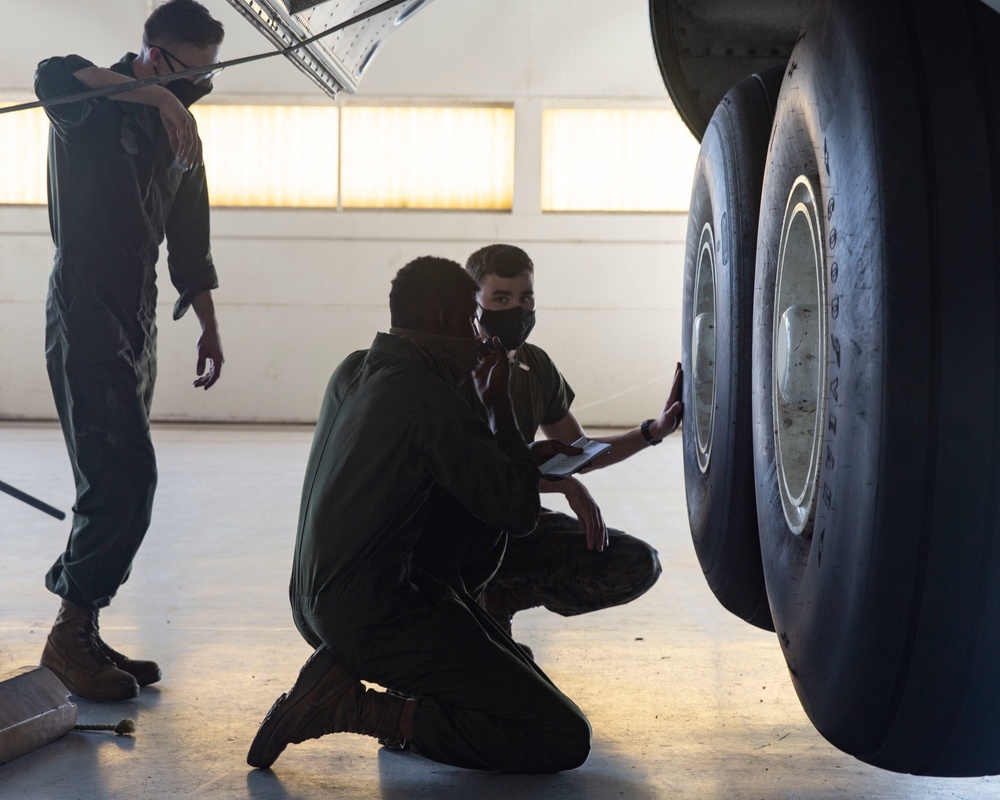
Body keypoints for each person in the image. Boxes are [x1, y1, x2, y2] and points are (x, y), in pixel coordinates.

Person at [246, 256, 591, 773]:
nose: (480, 343)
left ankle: (350, 670)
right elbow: (518, 511)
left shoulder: (355, 368)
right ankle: (364, 708)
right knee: (563, 734)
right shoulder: (427, 399)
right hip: (373, 615)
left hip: (313, 601)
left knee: (520, 671)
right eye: (472, 324)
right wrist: (499, 409)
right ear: (442, 320)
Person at [34, 0, 226, 702]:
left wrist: (206, 320)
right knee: (125, 478)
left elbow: (190, 230)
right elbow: (49, 72)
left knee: (111, 478)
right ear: (152, 52)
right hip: (84, 306)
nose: (195, 89)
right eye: (186, 73)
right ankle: (69, 634)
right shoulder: (95, 105)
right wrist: (148, 94)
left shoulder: (182, 124)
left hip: (136, 313)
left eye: (207, 76)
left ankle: (79, 623)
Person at [465, 244, 682, 649]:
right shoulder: (455, 367)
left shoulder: (536, 366)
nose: (517, 309)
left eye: (525, 297)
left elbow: (576, 451)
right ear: (473, 301)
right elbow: (472, 472)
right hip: (456, 529)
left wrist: (654, 430)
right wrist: (561, 486)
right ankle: (464, 615)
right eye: (501, 298)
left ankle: (500, 599)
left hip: (513, 524)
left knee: (637, 564)